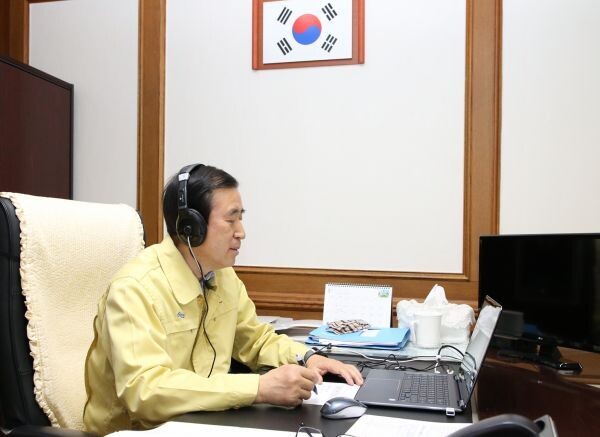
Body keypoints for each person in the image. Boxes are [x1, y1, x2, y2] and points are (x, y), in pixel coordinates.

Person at [83, 163, 363, 435]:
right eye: (231, 220)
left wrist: (308, 358)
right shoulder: (134, 289)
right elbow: (145, 392)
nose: (241, 232)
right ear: (191, 226)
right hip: (138, 431)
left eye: (241, 218)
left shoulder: (222, 276)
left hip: (203, 423)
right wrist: (258, 389)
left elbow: (255, 340)